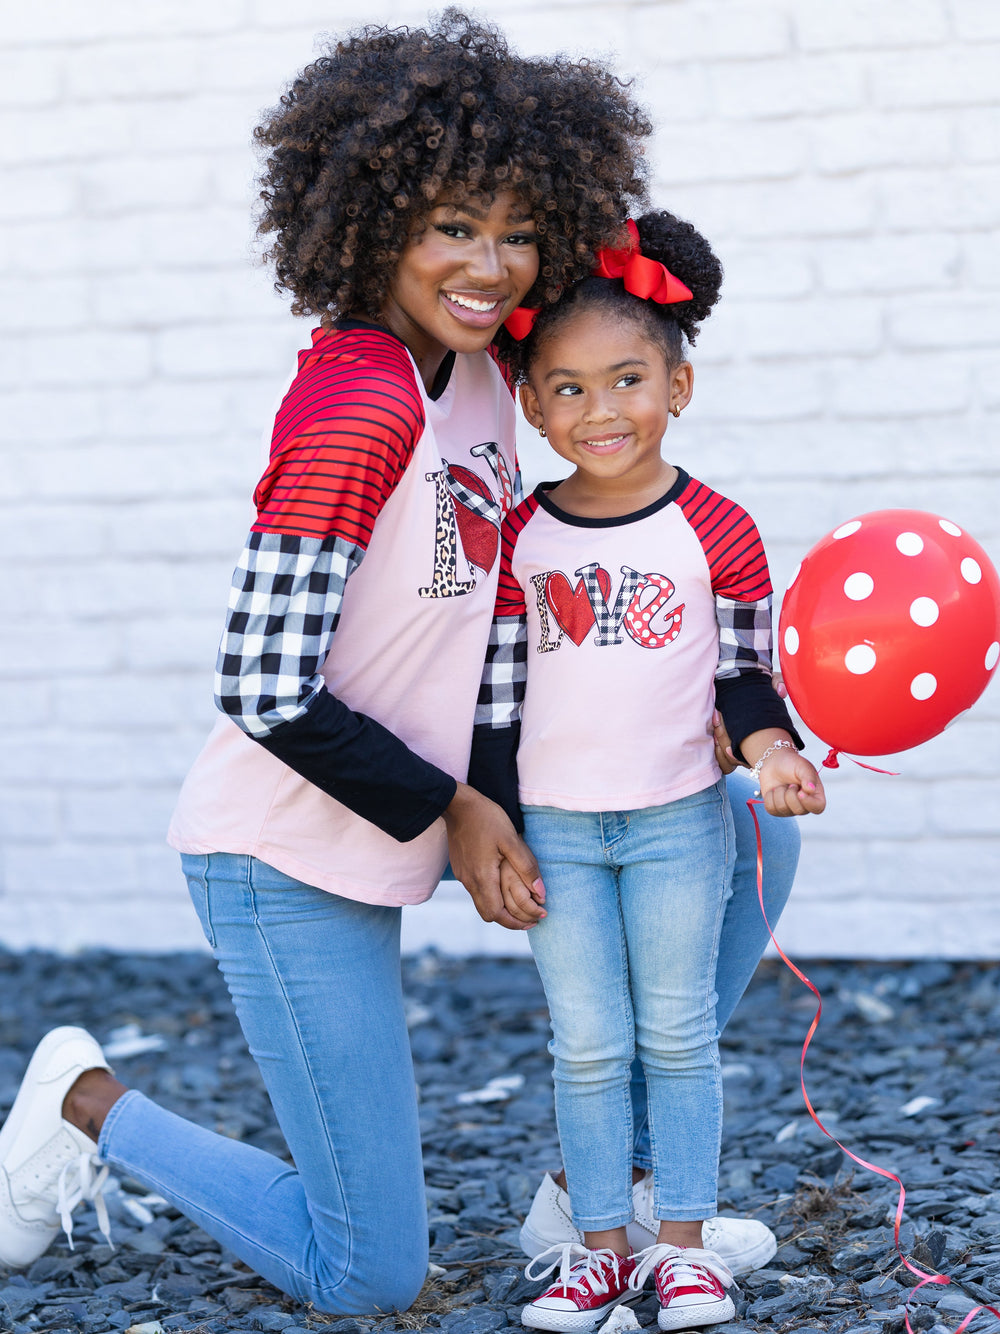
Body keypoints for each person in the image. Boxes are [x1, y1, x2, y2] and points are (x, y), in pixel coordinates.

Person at [0, 12, 654, 1312]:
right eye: (453, 226)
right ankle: (85, 1100)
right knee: (367, 1270)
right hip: (281, 855)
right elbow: (260, 679)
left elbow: (476, 632)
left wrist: (515, 793)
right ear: (372, 221)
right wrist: (456, 807)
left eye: (519, 228)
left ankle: (610, 1195)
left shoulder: (477, 377)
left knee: (725, 831)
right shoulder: (358, 405)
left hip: (392, 821)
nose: (490, 262)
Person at [469, 211, 826, 1331]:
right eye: (566, 387)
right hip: (561, 831)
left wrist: (773, 751)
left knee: (674, 1033)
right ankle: (595, 1249)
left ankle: (682, 1246)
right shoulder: (519, 538)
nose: (598, 408)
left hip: (677, 821)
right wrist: (491, 818)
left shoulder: (719, 528)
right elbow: (495, 703)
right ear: (529, 405)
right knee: (586, 1040)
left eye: (626, 378)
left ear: (678, 384)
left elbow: (742, 679)